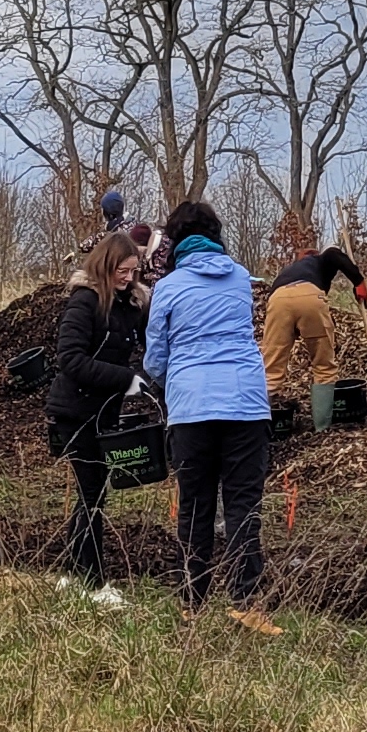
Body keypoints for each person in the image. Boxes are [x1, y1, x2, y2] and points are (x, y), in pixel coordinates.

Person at [138, 199, 277, 631]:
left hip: (193, 407)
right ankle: (245, 602)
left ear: (175, 241)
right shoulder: (240, 278)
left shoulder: (169, 287)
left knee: (195, 506)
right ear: (216, 236)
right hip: (246, 404)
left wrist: (172, 377)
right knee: (242, 504)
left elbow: (155, 357)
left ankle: (192, 601)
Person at [42, 231, 150, 607]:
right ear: (106, 266)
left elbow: (141, 347)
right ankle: (93, 583)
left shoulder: (131, 304)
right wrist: (124, 380)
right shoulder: (84, 302)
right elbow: (69, 360)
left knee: (94, 495)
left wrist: (143, 374)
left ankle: (74, 574)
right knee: (92, 494)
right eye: (123, 270)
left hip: (104, 411)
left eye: (134, 271)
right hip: (74, 410)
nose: (129, 278)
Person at [260, 245, 367, 399]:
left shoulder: (289, 271)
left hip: (278, 300)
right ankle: (322, 422)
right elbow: (333, 253)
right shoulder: (319, 260)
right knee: (324, 367)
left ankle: (265, 417)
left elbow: (292, 308)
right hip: (310, 296)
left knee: (271, 368)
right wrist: (359, 282)